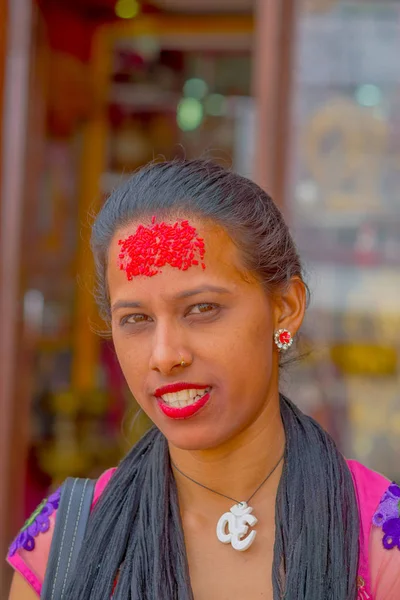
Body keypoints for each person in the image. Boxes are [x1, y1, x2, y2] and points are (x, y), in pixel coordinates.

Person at [7, 159, 400, 599]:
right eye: (136, 319)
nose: (165, 356)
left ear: (285, 307)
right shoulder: (65, 543)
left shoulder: (379, 540)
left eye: (201, 309)